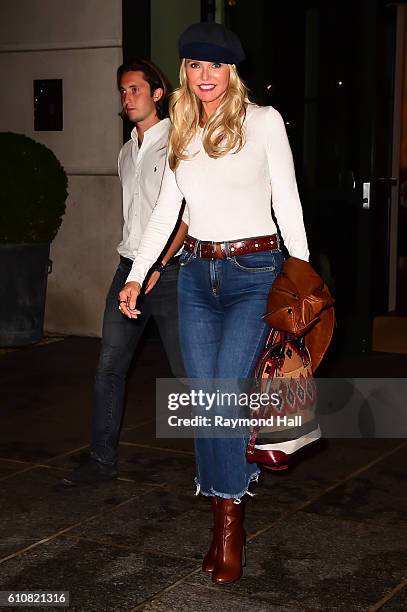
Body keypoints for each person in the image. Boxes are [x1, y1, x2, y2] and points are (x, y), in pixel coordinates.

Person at [118, 23, 310, 584]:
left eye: (217, 66)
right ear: (185, 72)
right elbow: (166, 214)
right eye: (196, 66)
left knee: (224, 396)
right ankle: (225, 517)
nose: (206, 76)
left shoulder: (263, 122)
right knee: (207, 403)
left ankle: (229, 529)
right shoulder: (179, 128)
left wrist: (299, 280)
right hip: (198, 275)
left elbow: (288, 201)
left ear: (233, 71)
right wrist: (138, 274)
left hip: (256, 272)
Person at [63, 59, 186, 487]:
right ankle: (100, 460)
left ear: (157, 94)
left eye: (135, 89)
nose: (127, 97)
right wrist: (135, 270)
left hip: (169, 276)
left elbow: (185, 217)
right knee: (109, 366)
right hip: (127, 270)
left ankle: (227, 460)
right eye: (122, 90)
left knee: (187, 374)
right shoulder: (125, 151)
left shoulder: (178, 142)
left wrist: (160, 265)